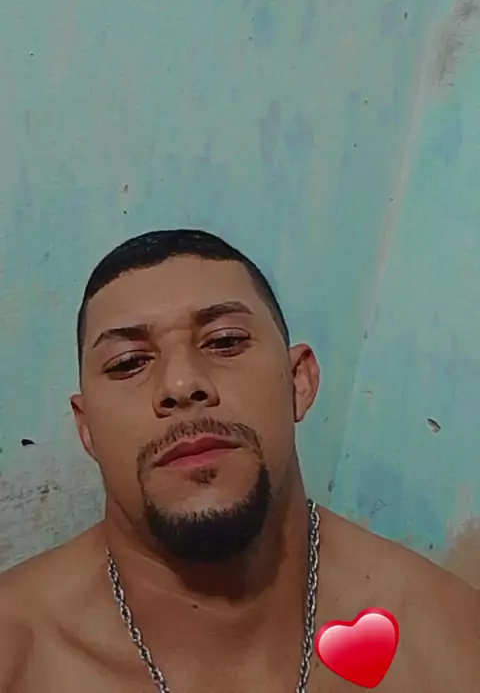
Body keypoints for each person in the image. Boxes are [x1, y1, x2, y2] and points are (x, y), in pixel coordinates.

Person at [1, 228, 479, 693]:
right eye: (129, 363)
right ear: (87, 428)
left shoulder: (450, 645)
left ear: (298, 382)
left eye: (224, 341)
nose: (181, 384)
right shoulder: (17, 652)